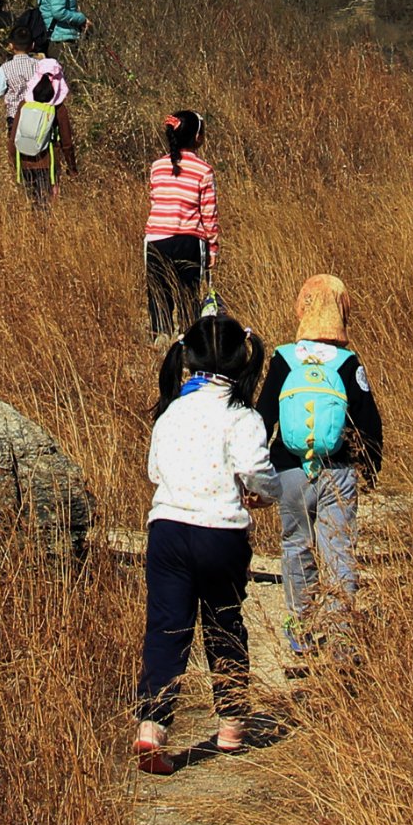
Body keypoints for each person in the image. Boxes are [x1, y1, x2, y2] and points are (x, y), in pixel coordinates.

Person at [133, 313, 274, 773]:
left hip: (168, 529)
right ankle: (232, 722)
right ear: (242, 359)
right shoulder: (243, 416)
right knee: (224, 624)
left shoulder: (172, 411)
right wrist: (262, 494)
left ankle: (152, 726)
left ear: (186, 357)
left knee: (166, 628)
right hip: (222, 534)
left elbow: (155, 472)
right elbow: (256, 472)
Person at [254, 274, 381, 662]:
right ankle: (342, 636)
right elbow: (367, 421)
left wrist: (257, 466)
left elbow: (263, 414)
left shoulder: (283, 357)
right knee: (338, 549)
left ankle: (301, 628)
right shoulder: (347, 362)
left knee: (295, 544)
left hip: (289, 471)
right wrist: (371, 468)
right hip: (336, 469)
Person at [143, 110, 218, 340]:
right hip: (189, 242)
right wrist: (213, 248)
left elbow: (155, 199)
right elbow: (209, 213)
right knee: (188, 294)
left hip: (156, 240)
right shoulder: (203, 170)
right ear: (197, 138)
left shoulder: (157, 166)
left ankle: (161, 339)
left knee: (158, 294)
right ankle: (188, 340)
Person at [11, 71, 76, 208]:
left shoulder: (24, 105)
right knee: (46, 205)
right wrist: (72, 168)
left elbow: (13, 138)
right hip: (47, 163)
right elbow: (67, 142)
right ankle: (44, 228)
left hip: (24, 162)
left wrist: (14, 165)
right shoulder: (58, 108)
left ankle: (31, 228)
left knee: (30, 204)